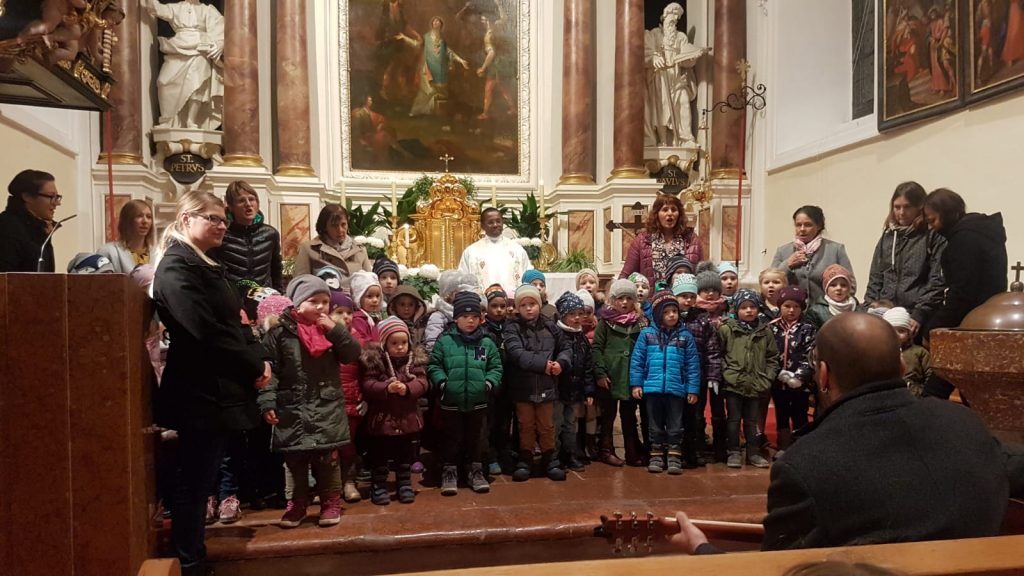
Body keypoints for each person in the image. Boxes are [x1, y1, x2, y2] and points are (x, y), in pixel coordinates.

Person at [670, 312, 1022, 554]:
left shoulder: (805, 464)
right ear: (902, 365)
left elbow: (778, 567)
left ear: (823, 375)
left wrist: (703, 549)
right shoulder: (965, 424)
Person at [152, 191, 269, 576]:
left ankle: (193, 555)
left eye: (223, 219)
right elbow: (205, 330)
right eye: (213, 218)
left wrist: (257, 355)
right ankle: (189, 562)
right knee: (194, 480)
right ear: (187, 219)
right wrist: (252, 362)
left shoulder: (204, 263)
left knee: (202, 475)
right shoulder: (176, 267)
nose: (222, 225)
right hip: (200, 389)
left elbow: (237, 320)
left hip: (216, 385)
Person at [258, 275, 361, 528]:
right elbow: (270, 371)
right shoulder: (279, 333)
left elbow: (351, 354)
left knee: (328, 458)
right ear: (297, 302)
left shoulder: (332, 330)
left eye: (325, 301)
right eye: (314, 301)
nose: (321, 307)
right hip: (292, 406)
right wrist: (268, 402)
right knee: (294, 460)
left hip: (326, 404)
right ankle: (297, 505)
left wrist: (335, 330)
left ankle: (330, 502)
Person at [923, 188, 1007, 399]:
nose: (931, 227)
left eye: (932, 220)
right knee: (975, 394)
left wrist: (932, 328)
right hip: (987, 320)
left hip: (971, 322)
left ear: (946, 213)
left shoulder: (963, 240)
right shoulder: (983, 233)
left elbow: (962, 292)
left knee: (936, 390)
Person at [428, 291, 503, 496]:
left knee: (476, 438)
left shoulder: (486, 342)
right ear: (455, 318)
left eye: (474, 317)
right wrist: (443, 383)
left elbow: (496, 367)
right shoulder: (445, 341)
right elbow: (434, 365)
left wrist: (489, 383)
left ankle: (475, 471)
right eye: (465, 316)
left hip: (479, 402)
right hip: (451, 402)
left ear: (481, 318)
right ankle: (449, 472)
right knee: (451, 438)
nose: (470, 321)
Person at [504, 284, 573, 482]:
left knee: (547, 426)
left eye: (532, 304)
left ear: (539, 305)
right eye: (523, 305)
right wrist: (544, 365)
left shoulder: (550, 326)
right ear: (517, 308)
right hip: (523, 388)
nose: (528, 308)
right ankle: (525, 459)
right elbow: (518, 354)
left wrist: (561, 363)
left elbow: (566, 347)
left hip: (547, 386)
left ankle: (550, 460)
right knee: (525, 425)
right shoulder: (512, 328)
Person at [629, 290, 701, 475]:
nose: (671, 315)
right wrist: (636, 384)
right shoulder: (646, 335)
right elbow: (637, 361)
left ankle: (674, 456)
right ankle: (656, 455)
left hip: (676, 389)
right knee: (654, 425)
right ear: (658, 314)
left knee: (675, 425)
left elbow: (692, 365)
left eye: (674, 311)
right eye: (666, 312)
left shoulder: (685, 336)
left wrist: (692, 389)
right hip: (652, 388)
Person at [360, 316, 429, 505]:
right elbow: (368, 384)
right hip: (382, 420)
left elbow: (422, 382)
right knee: (379, 456)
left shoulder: (413, 362)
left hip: (407, 419)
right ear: (384, 343)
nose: (400, 347)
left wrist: (407, 388)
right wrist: (386, 388)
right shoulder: (377, 362)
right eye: (394, 343)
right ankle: (379, 486)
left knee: (405, 457)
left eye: (404, 342)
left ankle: (404, 484)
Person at [864, 182, 946, 336]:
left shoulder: (932, 237)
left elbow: (937, 281)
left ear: (920, 208)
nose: (901, 212)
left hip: (916, 316)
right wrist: (870, 307)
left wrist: (920, 314)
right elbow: (875, 277)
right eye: (897, 207)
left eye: (907, 207)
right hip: (884, 314)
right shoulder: (887, 238)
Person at [718, 289, 780, 469]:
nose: (748, 311)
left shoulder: (765, 331)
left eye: (752, 307)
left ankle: (753, 452)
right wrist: (727, 373)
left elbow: (772, 357)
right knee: (733, 420)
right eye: (744, 307)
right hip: (734, 383)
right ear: (736, 309)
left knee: (752, 422)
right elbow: (719, 354)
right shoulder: (727, 330)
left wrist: (767, 378)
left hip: (756, 383)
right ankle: (734, 451)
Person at [142, 0, 225, 129]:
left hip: (200, 50)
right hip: (177, 49)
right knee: (164, 81)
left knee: (197, 85)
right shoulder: (175, 8)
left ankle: (191, 121)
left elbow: (221, 29)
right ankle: (167, 120)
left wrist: (220, 44)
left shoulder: (208, 10)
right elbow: (155, 8)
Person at [592, 279, 649, 467]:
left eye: (628, 298)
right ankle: (606, 450)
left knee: (629, 415)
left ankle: (632, 451)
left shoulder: (641, 323)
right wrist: (600, 373)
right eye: (620, 298)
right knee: (608, 416)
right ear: (613, 300)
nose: (624, 302)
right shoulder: (605, 322)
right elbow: (597, 348)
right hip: (610, 375)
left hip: (630, 376)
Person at [674, 272, 724, 466]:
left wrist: (713, 375)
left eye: (691, 296)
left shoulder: (703, 320)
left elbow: (712, 350)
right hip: (675, 376)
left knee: (696, 415)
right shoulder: (670, 318)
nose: (688, 300)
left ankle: (696, 450)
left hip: (697, 377)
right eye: (683, 296)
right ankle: (677, 450)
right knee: (677, 415)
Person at [643, 3, 707, 146]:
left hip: (677, 80)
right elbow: (645, 52)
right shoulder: (654, 34)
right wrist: (653, 58)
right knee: (661, 109)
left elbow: (686, 60)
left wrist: (692, 58)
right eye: (671, 21)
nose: (673, 24)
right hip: (660, 79)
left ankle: (686, 139)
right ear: (663, 19)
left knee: (684, 102)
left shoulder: (681, 37)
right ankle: (663, 142)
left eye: (676, 21)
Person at [327, 290, 367, 504]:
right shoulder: (320, 338)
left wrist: (366, 398)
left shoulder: (359, 340)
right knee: (327, 447)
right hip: (327, 402)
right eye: (339, 312)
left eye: (349, 312)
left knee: (348, 445)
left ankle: (349, 480)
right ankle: (329, 485)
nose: (346, 317)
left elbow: (368, 373)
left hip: (351, 400)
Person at [209, 181, 284, 292]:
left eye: (251, 199)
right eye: (241, 201)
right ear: (230, 206)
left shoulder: (270, 233)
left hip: (263, 297)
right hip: (231, 297)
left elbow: (276, 269)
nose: (248, 204)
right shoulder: (222, 233)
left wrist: (279, 293)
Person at [771, 206, 853, 305]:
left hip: (827, 311)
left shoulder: (835, 249)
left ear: (819, 226)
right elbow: (771, 283)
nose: (802, 229)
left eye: (808, 225)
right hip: (792, 311)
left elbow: (851, 286)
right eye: (798, 225)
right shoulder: (783, 251)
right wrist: (787, 264)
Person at [769, 286, 816, 458]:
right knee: (781, 413)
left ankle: (799, 447)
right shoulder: (772, 328)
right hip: (778, 383)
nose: (791, 310)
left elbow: (810, 355)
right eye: (787, 306)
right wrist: (777, 373)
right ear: (780, 306)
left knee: (799, 413)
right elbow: (768, 354)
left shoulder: (808, 329)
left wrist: (799, 376)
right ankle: (783, 444)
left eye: (796, 307)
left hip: (800, 384)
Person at [552, 291, 595, 473]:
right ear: (563, 315)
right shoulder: (556, 335)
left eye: (580, 313)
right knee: (556, 424)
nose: (577, 318)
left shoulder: (582, 337)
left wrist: (589, 390)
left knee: (571, 424)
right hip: (558, 389)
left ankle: (570, 454)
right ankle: (554, 456)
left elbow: (587, 366)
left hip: (575, 390)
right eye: (572, 314)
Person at [620, 194, 703, 283]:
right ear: (657, 214)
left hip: (684, 291)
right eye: (665, 209)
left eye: (674, 210)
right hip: (651, 292)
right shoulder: (642, 240)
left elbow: (701, 275)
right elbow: (626, 275)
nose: (670, 213)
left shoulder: (691, 239)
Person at [458, 207, 533, 296]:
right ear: (482, 225)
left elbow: (528, 276)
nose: (495, 225)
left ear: (502, 222)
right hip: (481, 301)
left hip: (513, 301)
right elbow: (463, 279)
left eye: (498, 221)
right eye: (490, 222)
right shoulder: (471, 251)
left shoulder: (517, 250)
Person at [405, 16, 469, 121]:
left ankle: (428, 112)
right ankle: (416, 111)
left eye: (438, 22)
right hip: (428, 69)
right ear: (432, 24)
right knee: (427, 91)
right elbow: (417, 45)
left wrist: (461, 60)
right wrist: (405, 38)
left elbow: (449, 52)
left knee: (439, 93)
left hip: (439, 70)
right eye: (434, 21)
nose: (436, 23)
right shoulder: (426, 37)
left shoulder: (442, 40)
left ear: (441, 26)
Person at [0, 169, 61, 273]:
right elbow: (7, 275)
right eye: (51, 197)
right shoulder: (7, 228)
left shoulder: (39, 228)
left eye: (57, 197)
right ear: (27, 196)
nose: (57, 203)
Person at [294, 204, 372, 280]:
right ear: (325, 227)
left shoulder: (359, 249)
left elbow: (370, 282)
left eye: (343, 224)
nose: (340, 230)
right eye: (334, 225)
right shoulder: (309, 249)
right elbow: (300, 282)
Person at [883, 307, 931, 397]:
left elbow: (931, 377)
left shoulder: (919, 352)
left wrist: (921, 393)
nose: (896, 335)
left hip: (915, 396)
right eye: (891, 330)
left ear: (909, 334)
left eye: (901, 331)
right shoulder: (880, 352)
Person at [98, 200, 155, 273]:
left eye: (149, 217)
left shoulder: (157, 254)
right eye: (139, 216)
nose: (145, 221)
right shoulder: (108, 251)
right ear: (127, 220)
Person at [805, 264, 860, 329]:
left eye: (843, 285)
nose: (839, 288)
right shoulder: (815, 311)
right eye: (833, 285)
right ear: (826, 288)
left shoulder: (857, 307)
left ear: (849, 288)